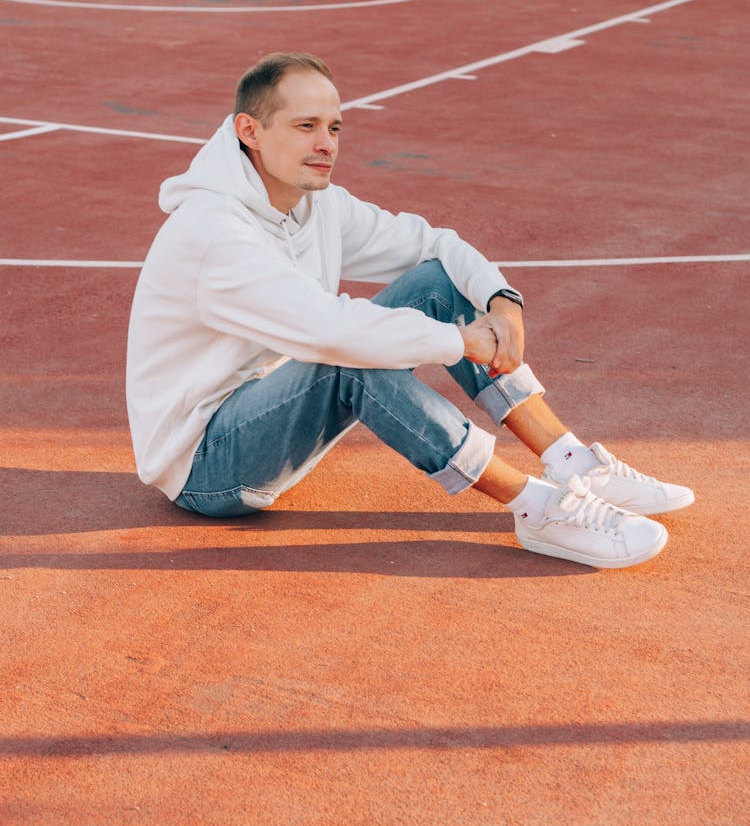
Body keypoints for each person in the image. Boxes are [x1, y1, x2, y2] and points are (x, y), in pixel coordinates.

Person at [126, 52, 694, 570]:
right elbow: (331, 332)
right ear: (248, 131)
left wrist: (501, 301)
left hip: (275, 419)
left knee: (436, 282)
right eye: (306, 126)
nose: (327, 143)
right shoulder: (212, 234)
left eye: (334, 127)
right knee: (349, 355)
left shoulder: (316, 203)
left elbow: (434, 245)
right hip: (208, 467)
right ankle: (537, 508)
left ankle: (571, 461)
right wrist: (461, 342)